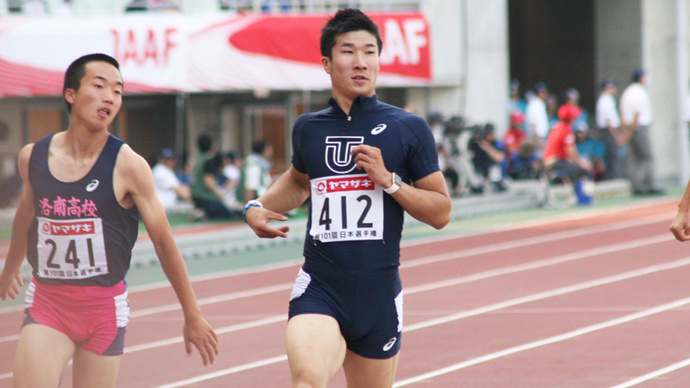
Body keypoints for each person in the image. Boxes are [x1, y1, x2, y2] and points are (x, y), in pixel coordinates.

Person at [243, 8, 451, 387]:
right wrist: (258, 206)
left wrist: (390, 182)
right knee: (307, 380)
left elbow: (441, 211)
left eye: (370, 52)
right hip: (321, 285)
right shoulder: (309, 127)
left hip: (378, 294)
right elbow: (298, 181)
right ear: (326, 62)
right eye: (348, 51)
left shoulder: (408, 128)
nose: (360, 62)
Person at [0, 53, 218, 388]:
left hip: (103, 311)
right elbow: (26, 215)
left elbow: (163, 242)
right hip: (49, 304)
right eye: (99, 86)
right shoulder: (34, 156)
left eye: (118, 91)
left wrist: (192, 314)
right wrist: (11, 268)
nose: (110, 97)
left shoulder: (129, 165)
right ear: (70, 95)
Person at [619, 68, 663, 195]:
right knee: (648, 157)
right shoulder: (640, 92)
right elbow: (637, 114)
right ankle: (650, 184)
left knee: (634, 159)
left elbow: (622, 112)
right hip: (639, 128)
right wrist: (631, 131)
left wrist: (625, 131)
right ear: (641, 78)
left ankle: (636, 185)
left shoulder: (627, 92)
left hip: (629, 127)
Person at [542, 104, 593, 185]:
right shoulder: (567, 130)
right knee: (584, 172)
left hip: (549, 162)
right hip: (556, 163)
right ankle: (581, 197)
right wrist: (582, 164)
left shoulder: (556, 127)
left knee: (575, 168)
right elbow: (571, 152)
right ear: (571, 118)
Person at [190, 133, 235, 219]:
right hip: (206, 198)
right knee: (228, 214)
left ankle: (202, 212)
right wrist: (220, 195)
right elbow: (209, 182)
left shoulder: (196, 159)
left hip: (195, 197)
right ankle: (204, 214)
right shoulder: (208, 160)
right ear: (212, 145)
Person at [595, 78, 627, 180]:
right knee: (614, 157)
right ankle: (615, 180)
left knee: (613, 157)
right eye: (612, 87)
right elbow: (609, 122)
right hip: (609, 131)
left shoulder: (606, 100)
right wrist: (617, 136)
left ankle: (614, 179)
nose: (614, 89)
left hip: (608, 131)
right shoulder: (606, 100)